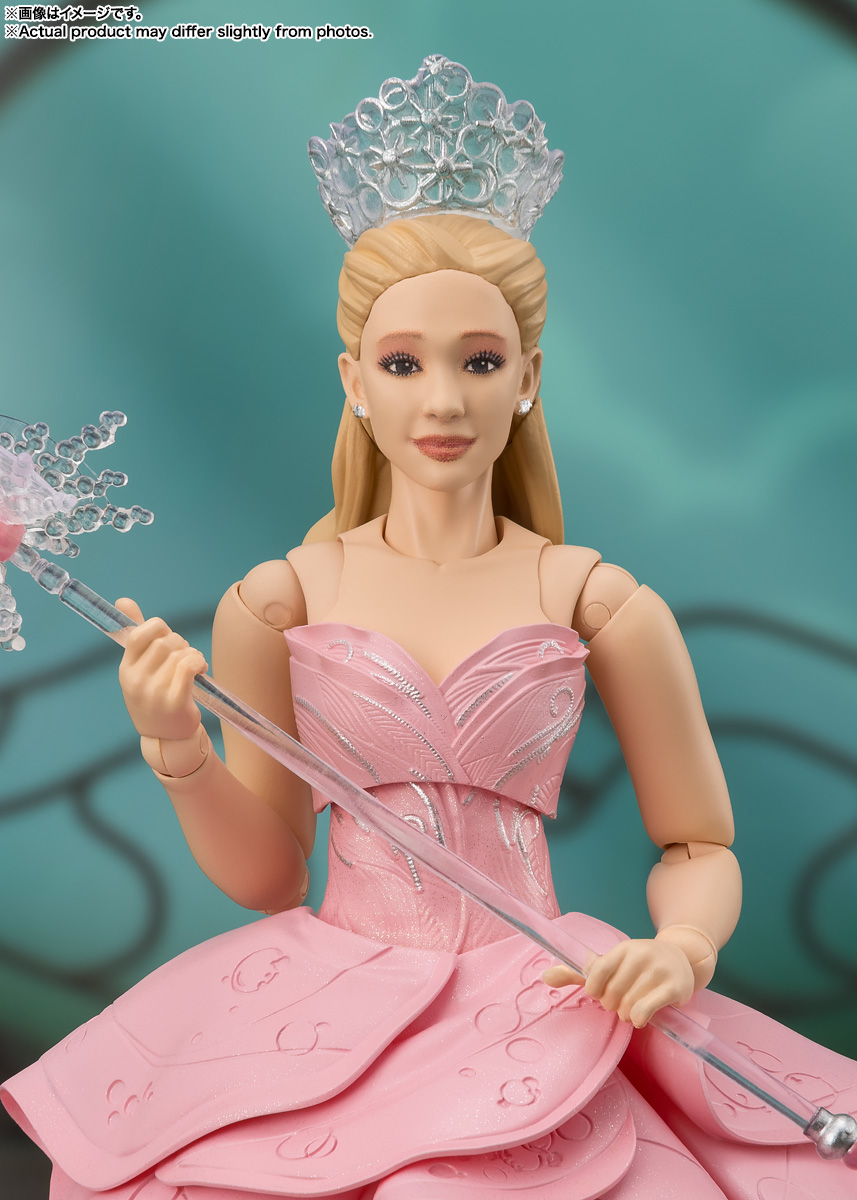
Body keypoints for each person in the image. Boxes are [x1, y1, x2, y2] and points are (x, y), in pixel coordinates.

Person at [3, 56, 856, 1200]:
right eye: (404, 365)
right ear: (354, 380)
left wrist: (680, 948)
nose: (443, 401)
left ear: (528, 377)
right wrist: (176, 748)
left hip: (539, 988)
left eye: (479, 362)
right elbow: (267, 873)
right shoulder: (280, 600)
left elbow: (697, 845)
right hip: (326, 1000)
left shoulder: (596, 601)